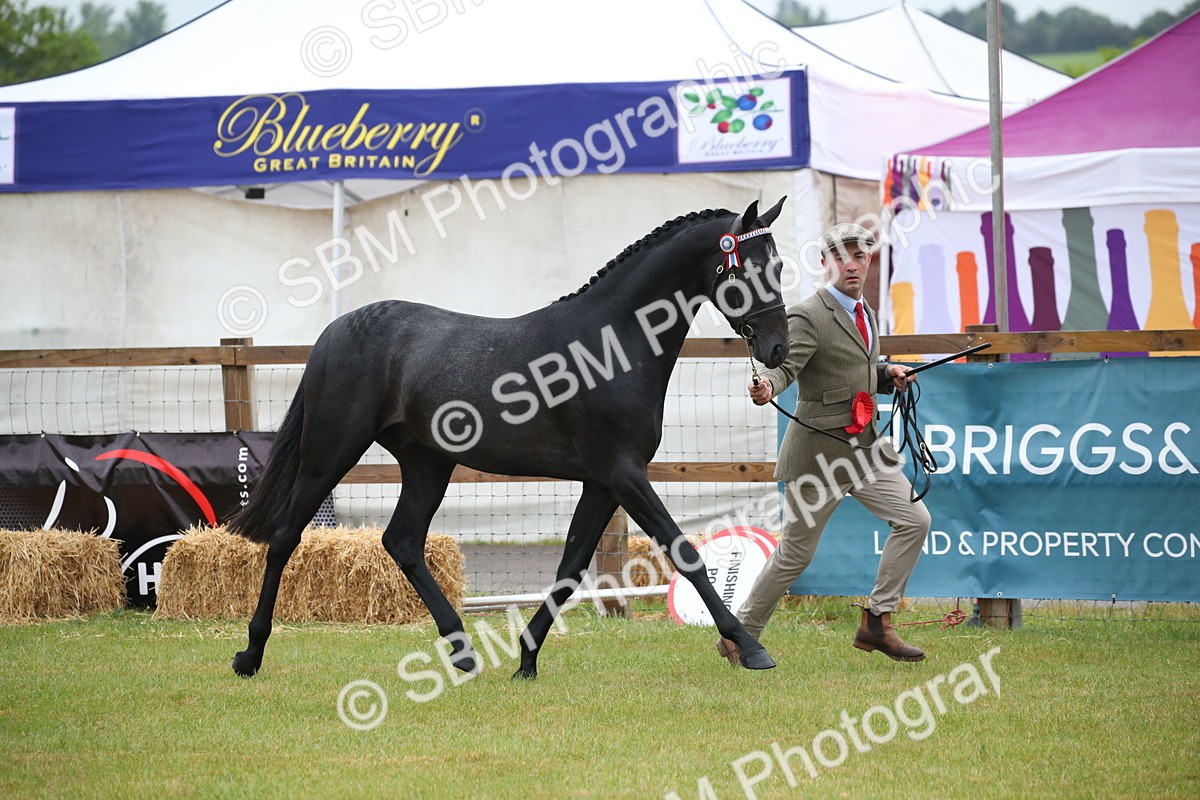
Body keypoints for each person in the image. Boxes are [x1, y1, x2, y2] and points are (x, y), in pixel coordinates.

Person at [717, 222, 932, 665]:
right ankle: (740, 635)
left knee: (914, 519)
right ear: (824, 262)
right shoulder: (808, 315)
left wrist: (885, 374)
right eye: (842, 257)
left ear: (869, 261)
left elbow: (856, 371)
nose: (852, 264)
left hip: (866, 450)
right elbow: (786, 368)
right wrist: (768, 387)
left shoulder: (865, 312)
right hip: (818, 458)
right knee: (795, 556)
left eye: (860, 256)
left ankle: (877, 621)